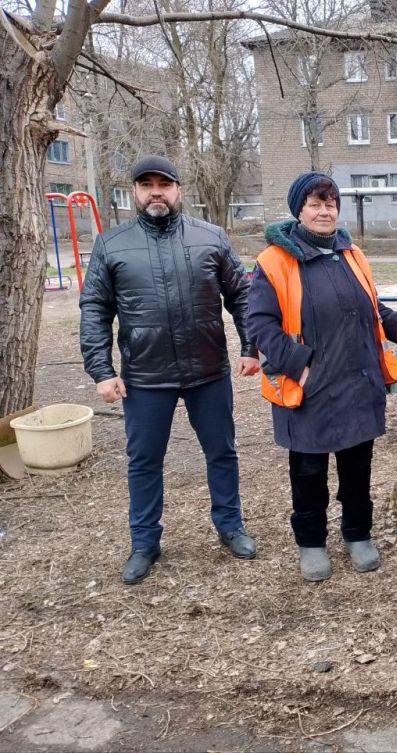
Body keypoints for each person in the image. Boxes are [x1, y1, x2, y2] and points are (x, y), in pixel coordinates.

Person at [79, 155, 260, 585]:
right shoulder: (112, 243)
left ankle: (230, 526)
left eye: (164, 184)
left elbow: (242, 297)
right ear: (135, 192)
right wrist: (102, 370)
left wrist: (251, 347)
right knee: (144, 460)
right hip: (145, 377)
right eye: (146, 185)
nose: (155, 191)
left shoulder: (210, 237)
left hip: (208, 370)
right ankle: (144, 542)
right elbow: (95, 309)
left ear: (179, 190)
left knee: (222, 452)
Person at [246, 172, 397, 582]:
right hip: (310, 388)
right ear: (299, 210)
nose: (324, 211)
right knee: (308, 472)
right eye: (315, 203)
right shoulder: (274, 261)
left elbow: (372, 308)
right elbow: (260, 325)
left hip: (358, 381)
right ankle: (311, 543)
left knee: (357, 467)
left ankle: (357, 534)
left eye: (330, 203)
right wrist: (301, 366)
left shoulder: (352, 254)